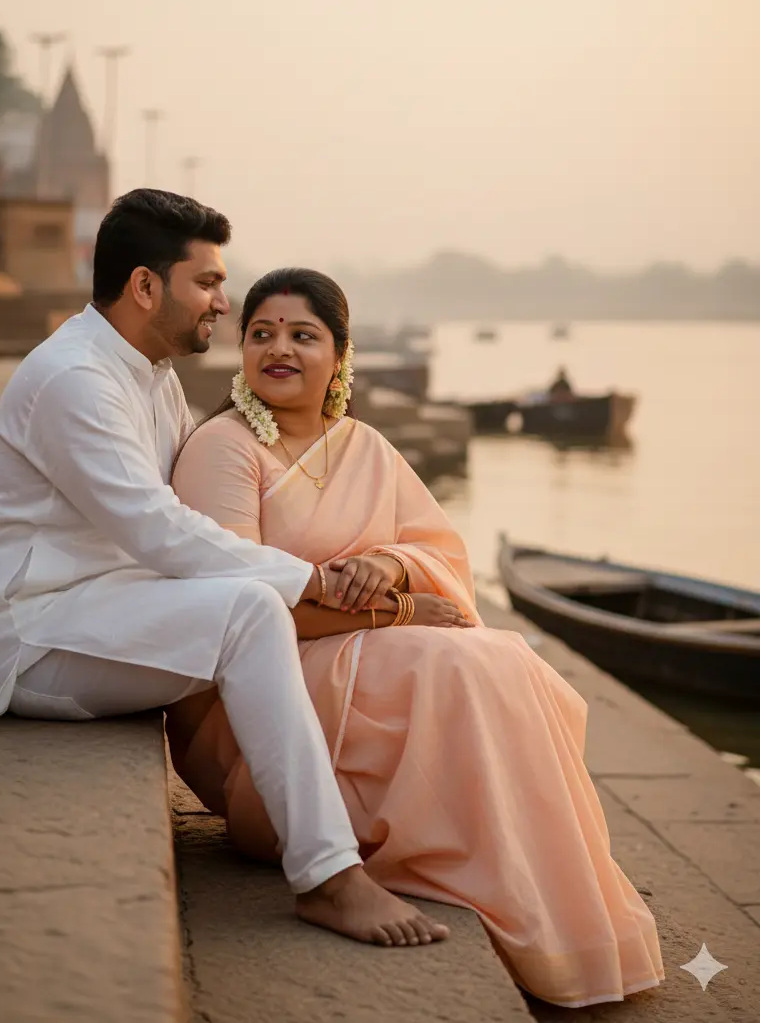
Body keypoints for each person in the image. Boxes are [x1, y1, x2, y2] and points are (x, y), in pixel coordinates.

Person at [0, 190, 450, 949]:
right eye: (206, 283)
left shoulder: (150, 372)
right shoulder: (76, 379)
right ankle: (329, 877)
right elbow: (162, 531)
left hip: (108, 608)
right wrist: (316, 582)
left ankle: (345, 823)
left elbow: (187, 514)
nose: (222, 304)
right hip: (37, 636)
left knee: (253, 603)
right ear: (145, 286)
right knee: (253, 611)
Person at [167, 267, 665, 1009]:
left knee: (505, 660)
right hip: (260, 691)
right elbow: (235, 608)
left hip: (358, 658)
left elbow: (441, 558)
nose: (279, 349)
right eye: (261, 333)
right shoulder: (224, 448)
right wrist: (395, 611)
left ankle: (542, 895)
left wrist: (390, 564)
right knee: (454, 670)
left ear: (340, 356)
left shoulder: (365, 446)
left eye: (303, 335)